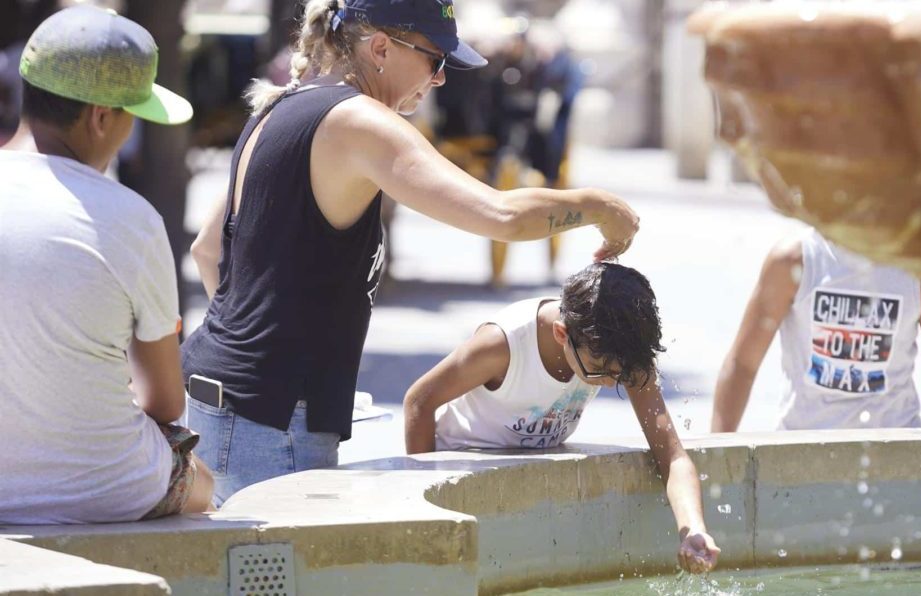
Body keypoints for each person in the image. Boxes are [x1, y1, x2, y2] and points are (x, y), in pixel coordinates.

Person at [184, 0, 639, 506]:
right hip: (270, 421)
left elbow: (208, 251)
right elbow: (502, 215)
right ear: (380, 47)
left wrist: (261, 348)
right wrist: (598, 206)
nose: (441, 79)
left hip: (219, 398)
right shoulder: (357, 120)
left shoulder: (281, 107)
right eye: (435, 59)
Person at [0, 5, 213, 523]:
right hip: (108, 487)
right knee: (206, 485)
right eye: (131, 117)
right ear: (100, 116)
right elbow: (164, 403)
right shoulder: (130, 218)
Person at [403, 263, 720, 574]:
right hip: (463, 463)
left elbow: (673, 456)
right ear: (561, 333)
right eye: (601, 370)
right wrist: (429, 512)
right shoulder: (501, 346)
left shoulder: (620, 351)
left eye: (620, 375)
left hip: (526, 484)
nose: (611, 382)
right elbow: (419, 402)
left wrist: (692, 530)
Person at [711, 229, 921, 432]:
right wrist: (717, 457)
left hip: (896, 444)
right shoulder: (795, 260)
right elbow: (743, 363)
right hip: (802, 449)